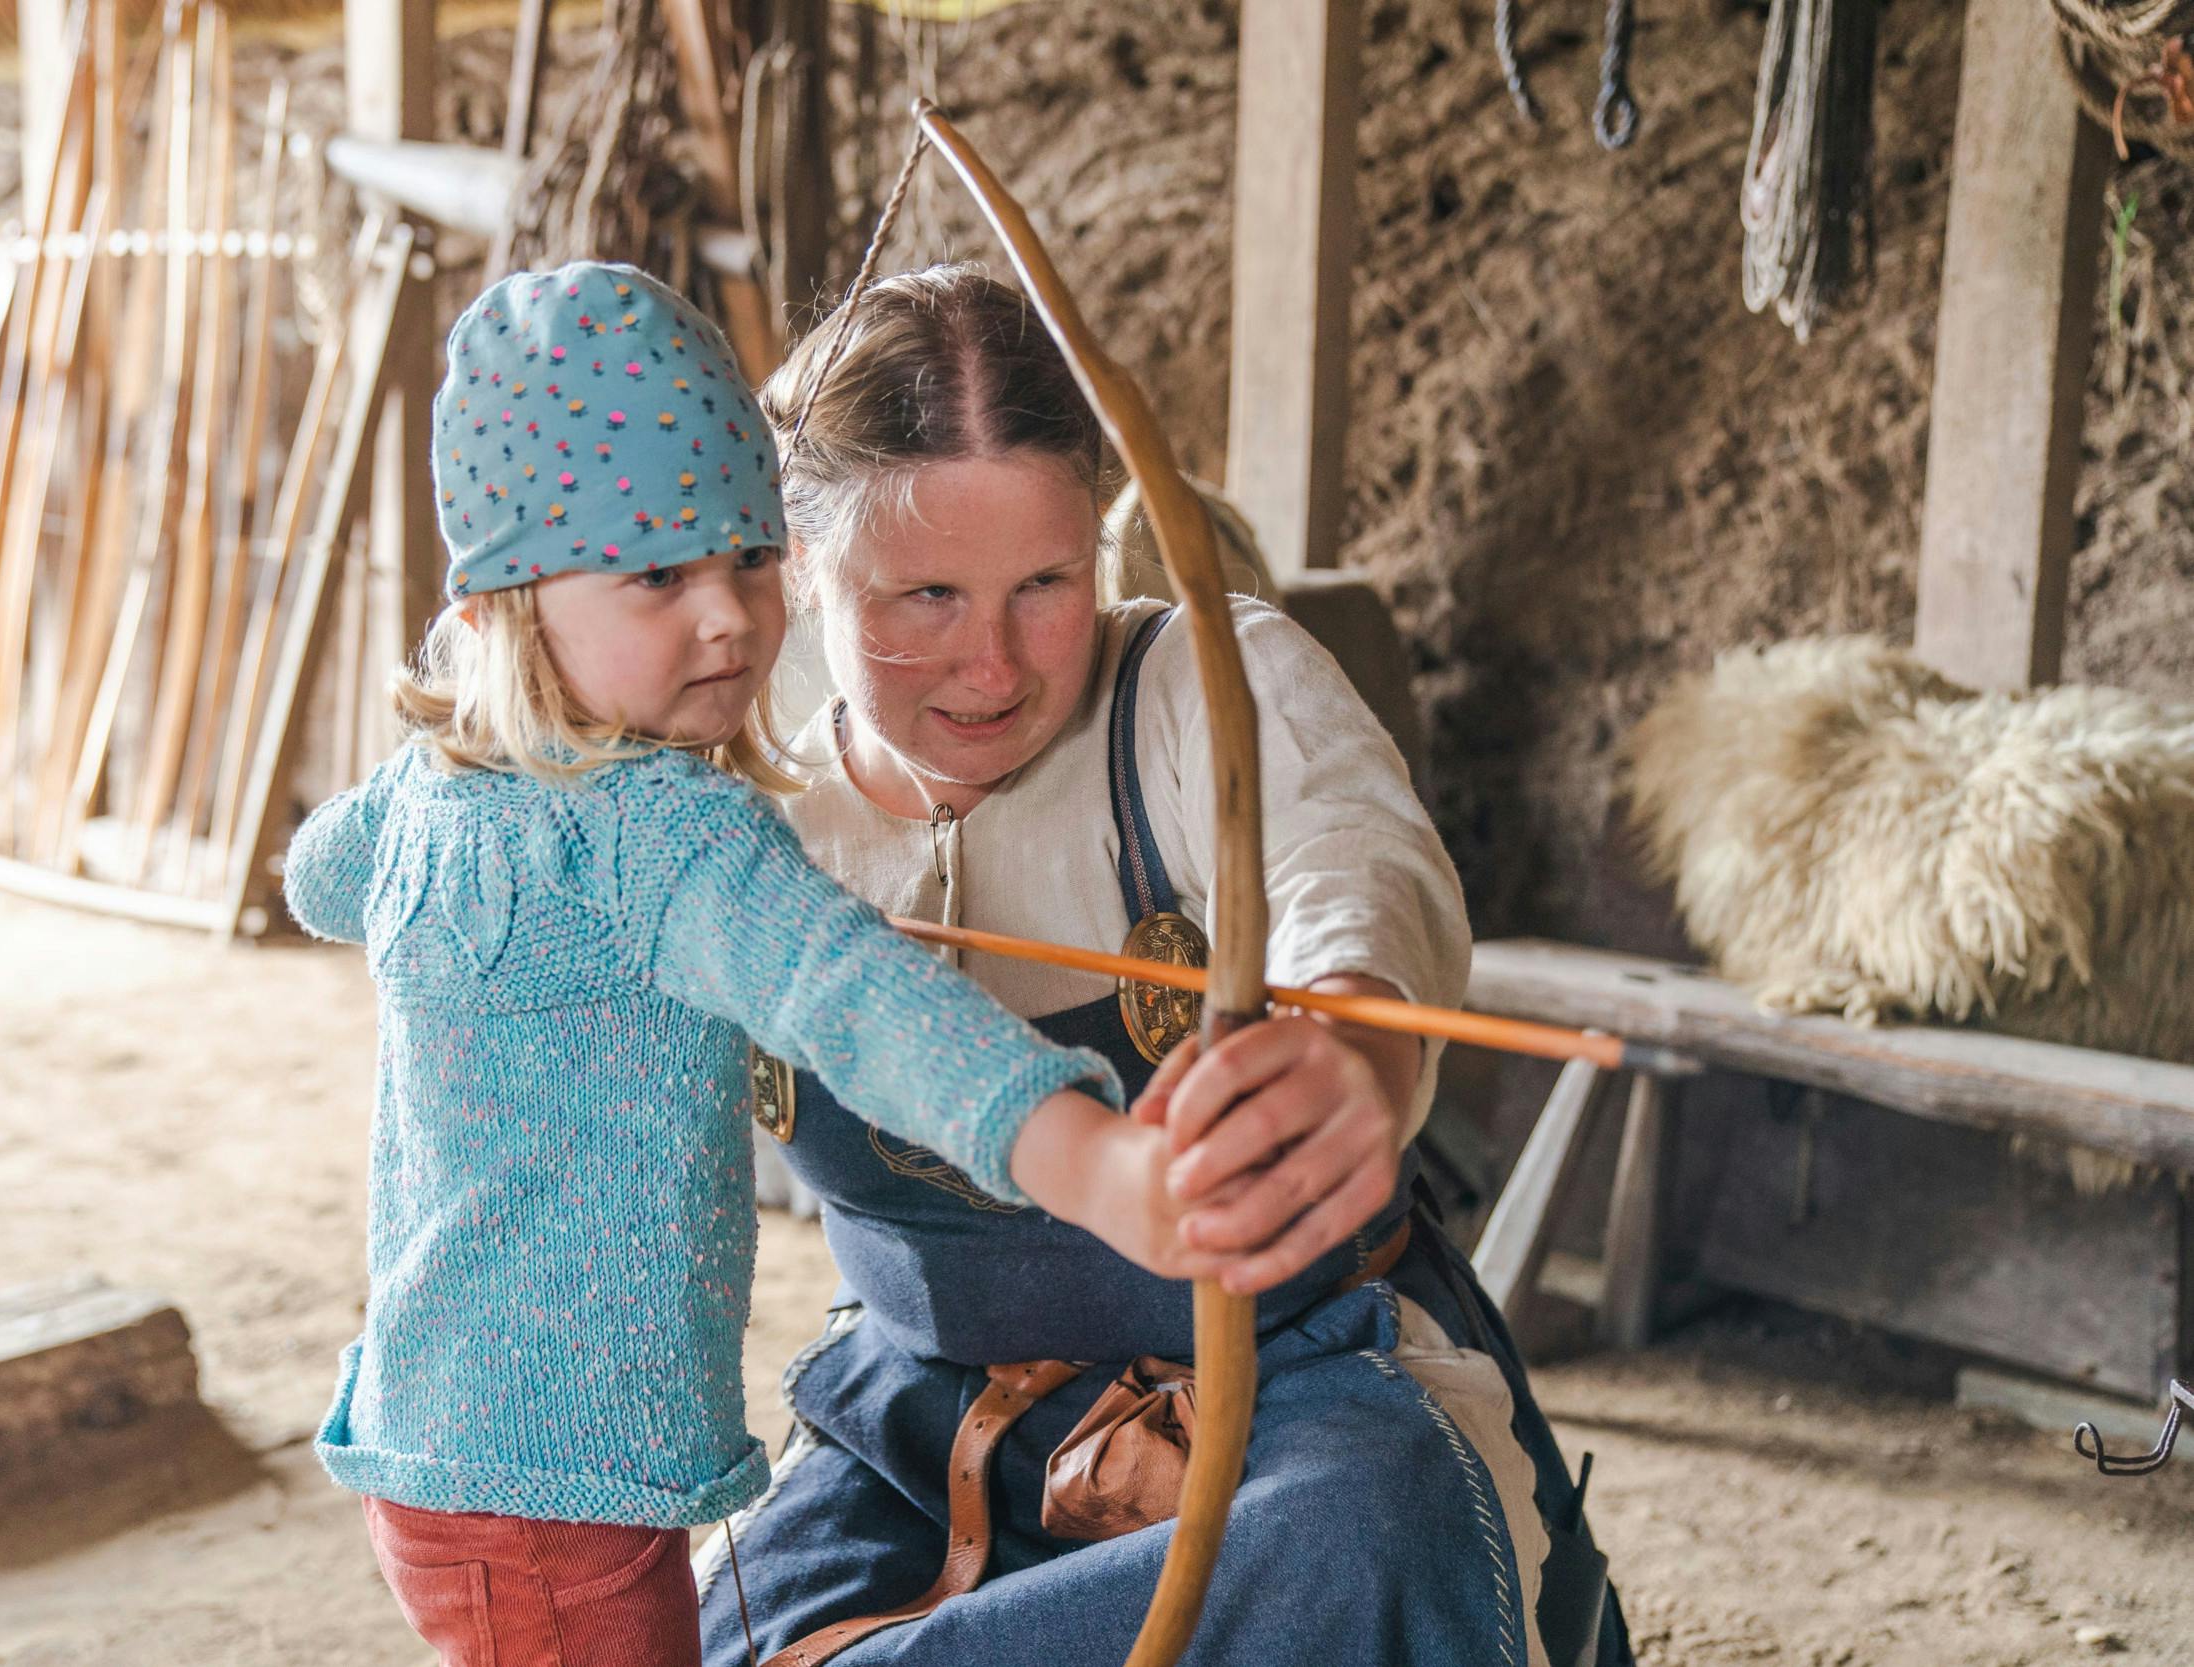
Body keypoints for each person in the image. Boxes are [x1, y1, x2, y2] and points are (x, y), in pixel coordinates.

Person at [282, 263, 1293, 1667]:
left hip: (434, 1440)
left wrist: (468, 744)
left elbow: (318, 879)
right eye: (656, 573)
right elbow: (860, 1003)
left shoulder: (423, 790)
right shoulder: (666, 830)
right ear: (510, 598)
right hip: (564, 1493)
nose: (728, 618)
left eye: (751, 558)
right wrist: (1101, 1166)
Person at [695, 264, 1631, 1666]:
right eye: (925, 595)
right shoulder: (735, 796)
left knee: (1364, 1548)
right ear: (803, 563)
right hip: (921, 1428)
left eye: (1046, 585)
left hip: (1303, 1397)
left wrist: (1356, 1049)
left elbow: (1357, 875)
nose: (994, 665)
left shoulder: (1207, 682)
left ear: (1102, 545)